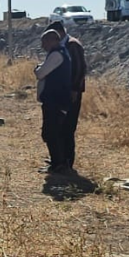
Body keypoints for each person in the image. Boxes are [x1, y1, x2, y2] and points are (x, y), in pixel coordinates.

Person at [35, 29, 73, 174]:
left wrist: (37, 69)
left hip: (55, 100)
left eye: (44, 42)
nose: (42, 45)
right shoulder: (59, 52)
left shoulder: (57, 54)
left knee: (52, 132)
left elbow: (41, 73)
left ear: (53, 41)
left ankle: (58, 163)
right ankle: (57, 161)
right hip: (56, 99)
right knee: (53, 132)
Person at [54, 22, 89, 171]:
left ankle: (67, 161)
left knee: (68, 127)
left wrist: (74, 89)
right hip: (63, 91)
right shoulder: (62, 45)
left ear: (59, 32)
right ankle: (59, 158)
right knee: (59, 126)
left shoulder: (72, 45)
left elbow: (80, 69)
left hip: (71, 92)